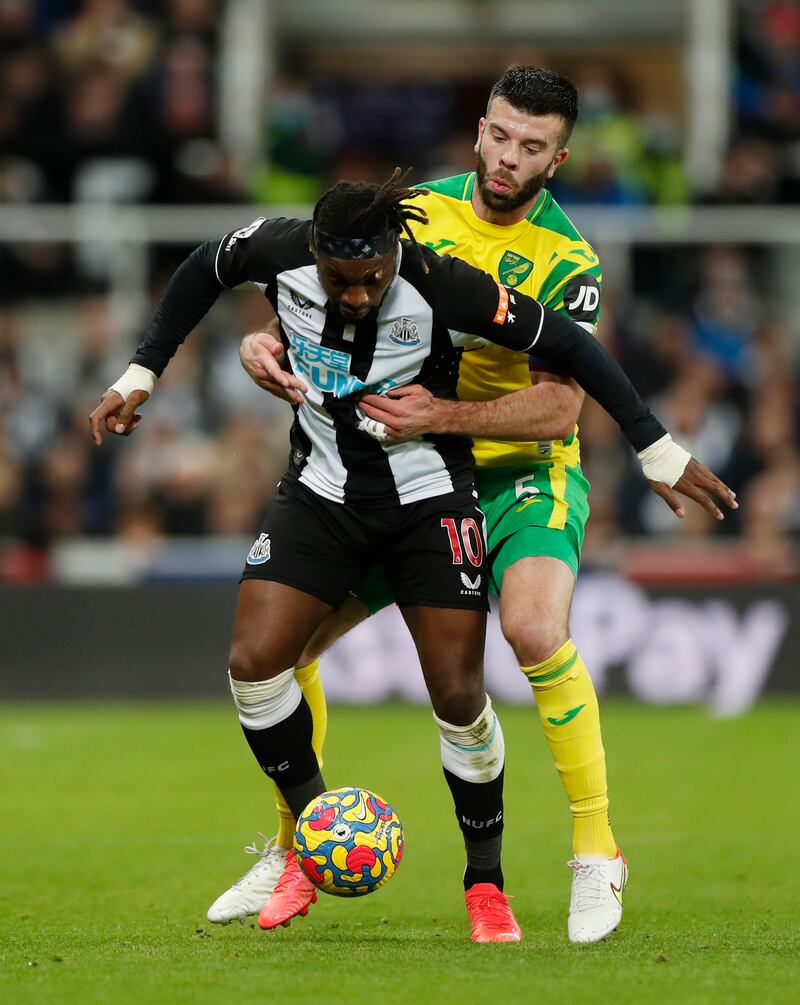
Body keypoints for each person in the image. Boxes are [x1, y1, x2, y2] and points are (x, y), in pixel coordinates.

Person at [90, 169, 730, 944]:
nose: (355, 295)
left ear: (396, 253)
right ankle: (307, 840)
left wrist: (654, 447)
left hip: (430, 502)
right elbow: (202, 267)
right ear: (316, 253)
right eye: (338, 280)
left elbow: (567, 350)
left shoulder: (449, 286)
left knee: (460, 697)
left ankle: (486, 882)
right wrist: (142, 372)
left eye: (370, 280)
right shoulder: (279, 250)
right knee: (255, 662)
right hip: (321, 496)